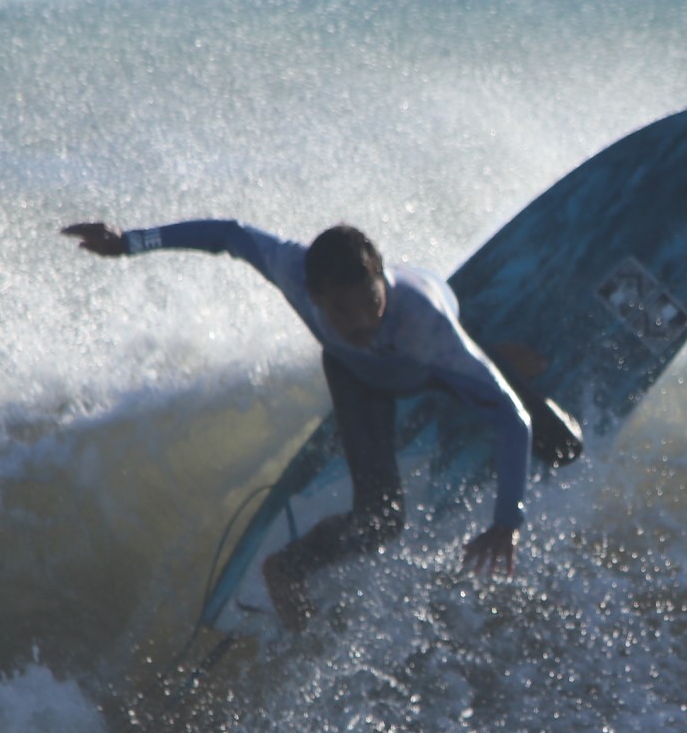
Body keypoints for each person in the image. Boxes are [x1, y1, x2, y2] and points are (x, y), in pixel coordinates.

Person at [61, 217, 565, 631]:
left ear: (381, 279)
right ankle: (287, 570)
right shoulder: (292, 270)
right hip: (358, 378)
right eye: (342, 310)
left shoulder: (424, 324)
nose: (362, 320)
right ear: (312, 294)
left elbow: (510, 418)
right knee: (382, 521)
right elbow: (229, 236)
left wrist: (507, 522)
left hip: (430, 366)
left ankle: (492, 356)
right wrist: (129, 243)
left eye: (370, 300)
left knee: (557, 441)